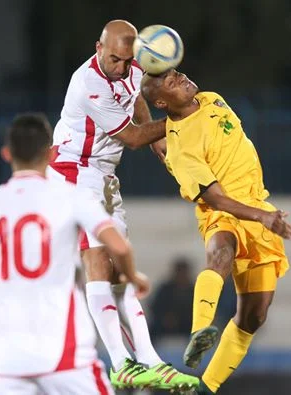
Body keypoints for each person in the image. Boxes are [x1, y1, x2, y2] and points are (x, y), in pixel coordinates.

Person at [48, 19, 199, 391]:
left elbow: (137, 104)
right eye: (113, 58)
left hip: (102, 176)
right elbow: (131, 136)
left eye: (125, 60)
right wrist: (180, 118)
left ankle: (150, 360)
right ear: (98, 47)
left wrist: (161, 149)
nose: (119, 66)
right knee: (99, 261)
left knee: (121, 272)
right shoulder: (89, 83)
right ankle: (119, 363)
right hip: (72, 171)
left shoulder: (133, 67)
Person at [141, 69, 291, 394]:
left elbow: (159, 143)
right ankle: (200, 330)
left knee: (254, 317)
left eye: (176, 72)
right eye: (171, 82)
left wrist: (262, 217)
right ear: (161, 101)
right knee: (221, 253)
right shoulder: (182, 149)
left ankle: (206, 387)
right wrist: (263, 218)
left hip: (257, 205)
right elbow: (216, 199)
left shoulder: (211, 99)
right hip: (224, 211)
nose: (180, 77)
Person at [0, 113, 157, 394]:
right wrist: (132, 275)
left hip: (6, 357)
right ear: (50, 151)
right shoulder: (69, 196)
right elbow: (119, 245)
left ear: (6, 153)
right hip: (63, 351)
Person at [150, 256, 194, 341]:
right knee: (154, 327)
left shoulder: (194, 290)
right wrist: (165, 317)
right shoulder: (165, 289)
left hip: (187, 323)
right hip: (165, 323)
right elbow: (154, 306)